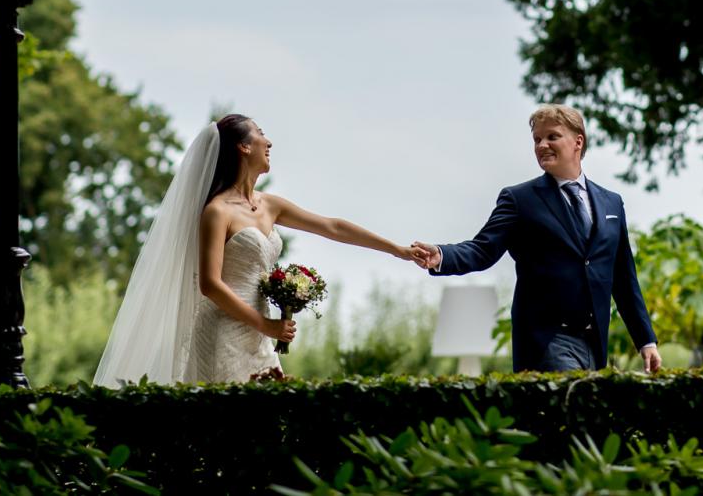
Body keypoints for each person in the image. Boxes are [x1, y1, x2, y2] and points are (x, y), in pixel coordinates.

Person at [95, 113, 417, 385]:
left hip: (261, 335)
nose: (270, 142)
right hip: (225, 331)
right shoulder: (217, 212)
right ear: (244, 147)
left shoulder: (270, 205)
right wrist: (265, 325)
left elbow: (331, 227)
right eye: (261, 134)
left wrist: (396, 249)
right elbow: (210, 284)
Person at [412, 104, 662, 373]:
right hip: (547, 341)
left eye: (552, 136)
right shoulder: (520, 200)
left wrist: (645, 340)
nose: (542, 145)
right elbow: (483, 249)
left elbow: (624, 278)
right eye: (537, 139)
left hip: (595, 344)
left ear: (578, 141)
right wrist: (441, 255)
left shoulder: (612, 203)